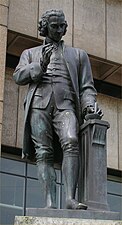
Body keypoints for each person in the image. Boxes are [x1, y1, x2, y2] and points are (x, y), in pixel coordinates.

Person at [13, 9, 102, 210]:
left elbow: (87, 87)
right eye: (54, 26)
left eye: (62, 26)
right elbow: (18, 76)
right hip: (38, 104)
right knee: (44, 152)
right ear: (45, 27)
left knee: (71, 141)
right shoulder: (30, 53)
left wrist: (89, 105)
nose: (59, 30)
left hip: (66, 105)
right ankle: (50, 203)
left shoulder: (78, 55)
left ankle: (70, 198)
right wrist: (39, 66)